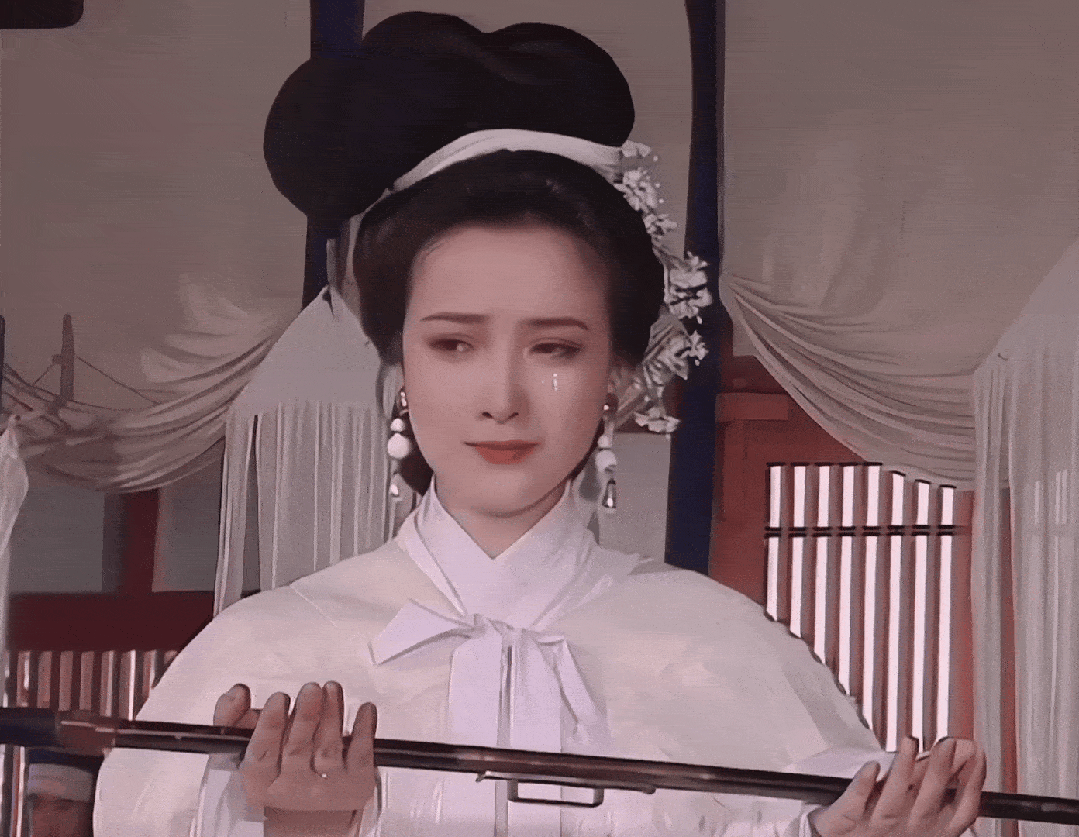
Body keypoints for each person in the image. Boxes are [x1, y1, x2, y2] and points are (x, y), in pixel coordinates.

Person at [93, 12, 986, 837]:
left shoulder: (720, 647)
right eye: (453, 344)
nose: (503, 396)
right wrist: (303, 827)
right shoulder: (270, 647)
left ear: (618, 376)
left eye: (554, 348)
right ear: (397, 364)